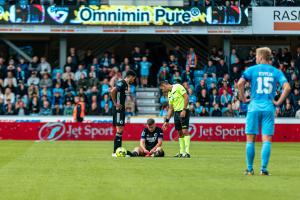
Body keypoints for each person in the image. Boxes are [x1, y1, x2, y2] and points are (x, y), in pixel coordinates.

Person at [237, 47, 291, 176]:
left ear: (260, 57)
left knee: (250, 139)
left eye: (256, 56)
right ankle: (264, 169)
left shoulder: (251, 70)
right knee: (266, 139)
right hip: (268, 107)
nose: (255, 58)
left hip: (254, 106)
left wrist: (243, 98)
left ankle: (249, 169)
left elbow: (240, 84)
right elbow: (287, 87)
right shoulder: (276, 72)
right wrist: (278, 102)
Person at [160, 81, 191, 158]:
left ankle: (187, 152)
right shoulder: (169, 94)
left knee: (185, 131)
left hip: (184, 111)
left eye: (162, 88)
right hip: (176, 113)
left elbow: (186, 97)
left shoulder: (178, 86)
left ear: (165, 85)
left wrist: (184, 110)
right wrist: (166, 121)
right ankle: (181, 152)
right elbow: (170, 108)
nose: (162, 90)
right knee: (180, 133)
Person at [111, 70, 136, 157]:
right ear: (130, 76)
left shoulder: (125, 85)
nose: (133, 80)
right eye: (133, 78)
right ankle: (115, 152)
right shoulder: (122, 83)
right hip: (118, 109)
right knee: (119, 130)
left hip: (121, 109)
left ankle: (118, 151)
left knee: (120, 130)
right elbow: (113, 90)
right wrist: (115, 103)